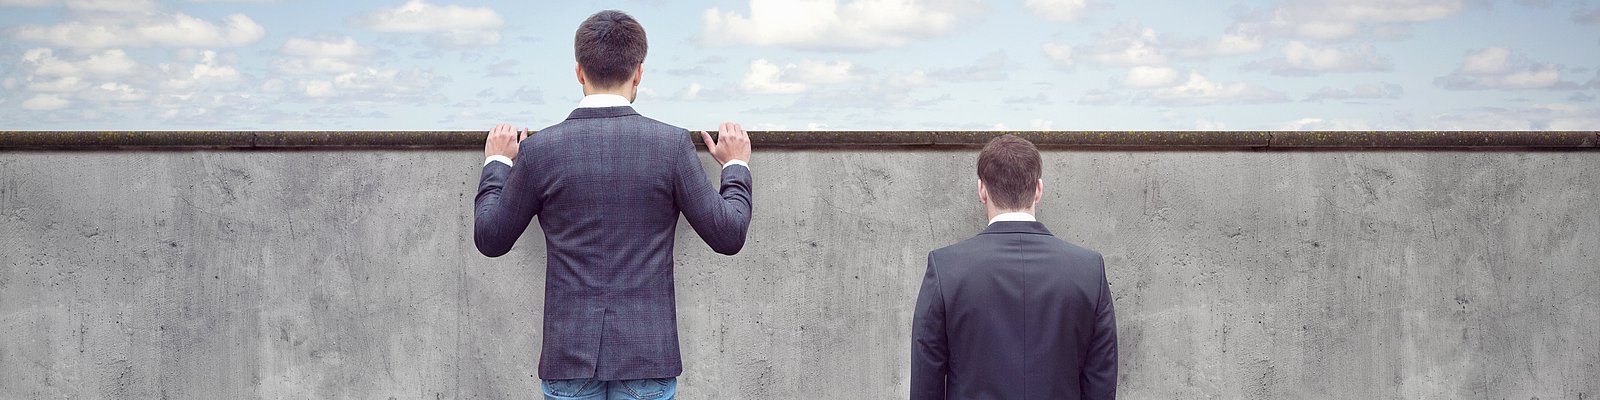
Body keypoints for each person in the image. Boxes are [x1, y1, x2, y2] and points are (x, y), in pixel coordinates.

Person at [472, 9, 753, 400]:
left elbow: (490, 237)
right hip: (647, 358)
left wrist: (498, 162)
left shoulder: (539, 151)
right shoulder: (669, 145)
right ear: (639, 72)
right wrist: (735, 165)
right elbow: (728, 234)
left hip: (568, 359)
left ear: (578, 71)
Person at [910, 134, 1118, 399]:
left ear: (982, 190)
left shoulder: (945, 268)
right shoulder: (1089, 270)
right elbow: (1101, 382)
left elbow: (926, 382)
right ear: (1039, 189)